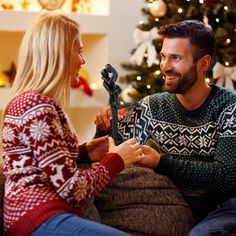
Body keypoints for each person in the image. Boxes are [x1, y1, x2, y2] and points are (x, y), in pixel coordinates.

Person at [1, 12, 145, 236]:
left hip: (40, 215)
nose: (83, 60)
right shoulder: (37, 105)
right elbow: (72, 189)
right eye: (79, 51)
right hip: (38, 216)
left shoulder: (33, 102)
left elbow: (41, 162)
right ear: (58, 53)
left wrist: (85, 153)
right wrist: (117, 159)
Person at [95, 20, 236, 235]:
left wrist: (162, 162)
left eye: (176, 58)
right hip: (177, 204)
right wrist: (104, 127)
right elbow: (116, 150)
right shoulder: (152, 106)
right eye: (163, 56)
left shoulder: (230, 106)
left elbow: (225, 178)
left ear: (203, 63)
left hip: (225, 207)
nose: (165, 66)